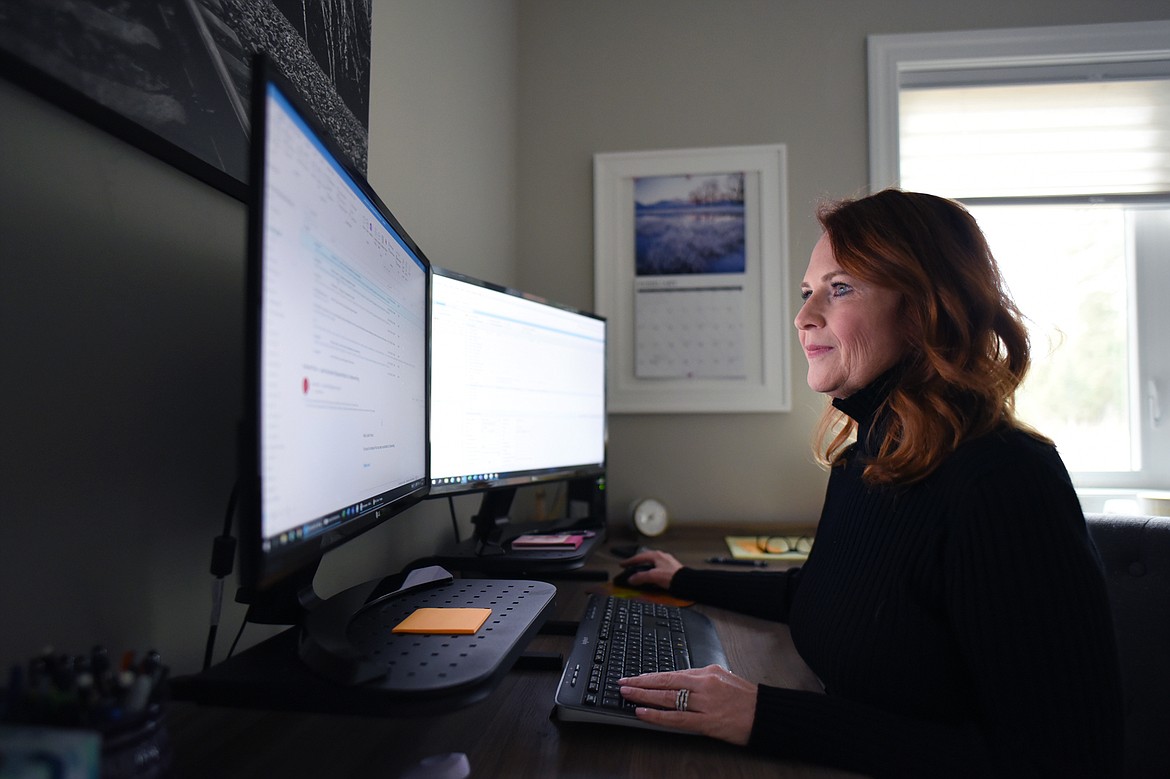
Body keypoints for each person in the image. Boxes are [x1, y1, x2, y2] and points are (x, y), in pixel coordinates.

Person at [617, 189, 1124, 778]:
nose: (805, 317)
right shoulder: (870, 455)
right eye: (808, 293)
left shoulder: (1005, 481)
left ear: (924, 307)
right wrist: (684, 578)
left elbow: (1060, 760)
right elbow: (828, 598)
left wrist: (761, 715)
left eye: (841, 288)